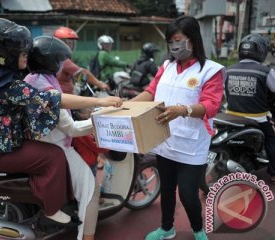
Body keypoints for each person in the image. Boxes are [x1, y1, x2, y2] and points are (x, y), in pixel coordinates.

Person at [0, 18, 122, 228]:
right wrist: (101, 101)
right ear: (6, 55)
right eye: (20, 51)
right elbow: (55, 100)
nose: (25, 55)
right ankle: (51, 209)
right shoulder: (10, 86)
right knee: (53, 156)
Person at [131, 16, 225, 240]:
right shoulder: (166, 66)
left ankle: (198, 229)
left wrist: (182, 110)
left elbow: (211, 105)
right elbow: (151, 92)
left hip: (191, 144)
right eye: (170, 41)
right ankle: (166, 228)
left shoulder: (210, 71)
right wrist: (126, 105)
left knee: (188, 193)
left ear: (192, 40)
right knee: (167, 189)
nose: (174, 46)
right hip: (165, 139)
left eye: (178, 40)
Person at [24, 35, 121, 240]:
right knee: (91, 190)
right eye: (59, 61)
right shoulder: (45, 87)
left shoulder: (32, 79)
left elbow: (66, 103)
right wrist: (99, 118)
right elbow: (72, 129)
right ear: (50, 62)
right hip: (57, 147)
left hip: (40, 142)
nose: (61, 65)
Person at [225, 33, 275, 182]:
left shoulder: (228, 69)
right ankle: (273, 172)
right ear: (261, 51)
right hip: (257, 118)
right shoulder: (265, 71)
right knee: (272, 139)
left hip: (231, 117)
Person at [53, 26, 109, 94]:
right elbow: (82, 73)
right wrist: (100, 84)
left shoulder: (60, 58)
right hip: (64, 98)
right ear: (60, 43)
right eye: (69, 43)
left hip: (67, 95)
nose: (71, 46)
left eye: (72, 43)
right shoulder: (62, 60)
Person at [71, 107, 110, 176]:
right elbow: (99, 147)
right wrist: (112, 144)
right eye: (86, 110)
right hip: (87, 163)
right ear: (79, 114)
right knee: (89, 182)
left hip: (84, 161)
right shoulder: (82, 131)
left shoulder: (76, 127)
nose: (91, 111)